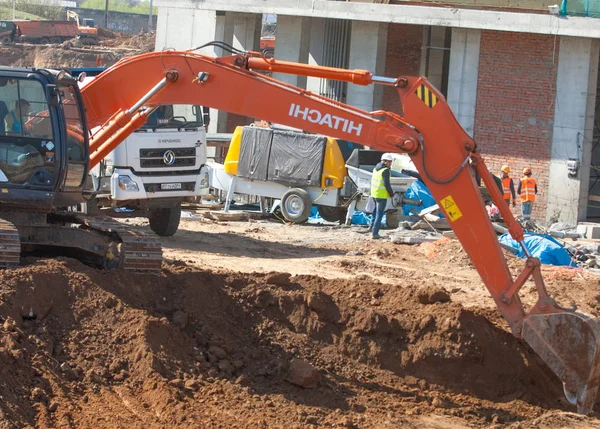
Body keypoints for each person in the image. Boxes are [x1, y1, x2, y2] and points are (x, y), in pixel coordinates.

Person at [369, 152, 395, 240]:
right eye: (390, 162)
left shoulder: (376, 168)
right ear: (385, 161)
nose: (390, 164)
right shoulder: (385, 171)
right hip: (381, 195)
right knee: (379, 214)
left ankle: (371, 227)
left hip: (374, 193)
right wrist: (391, 194)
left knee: (375, 211)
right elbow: (387, 184)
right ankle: (375, 233)